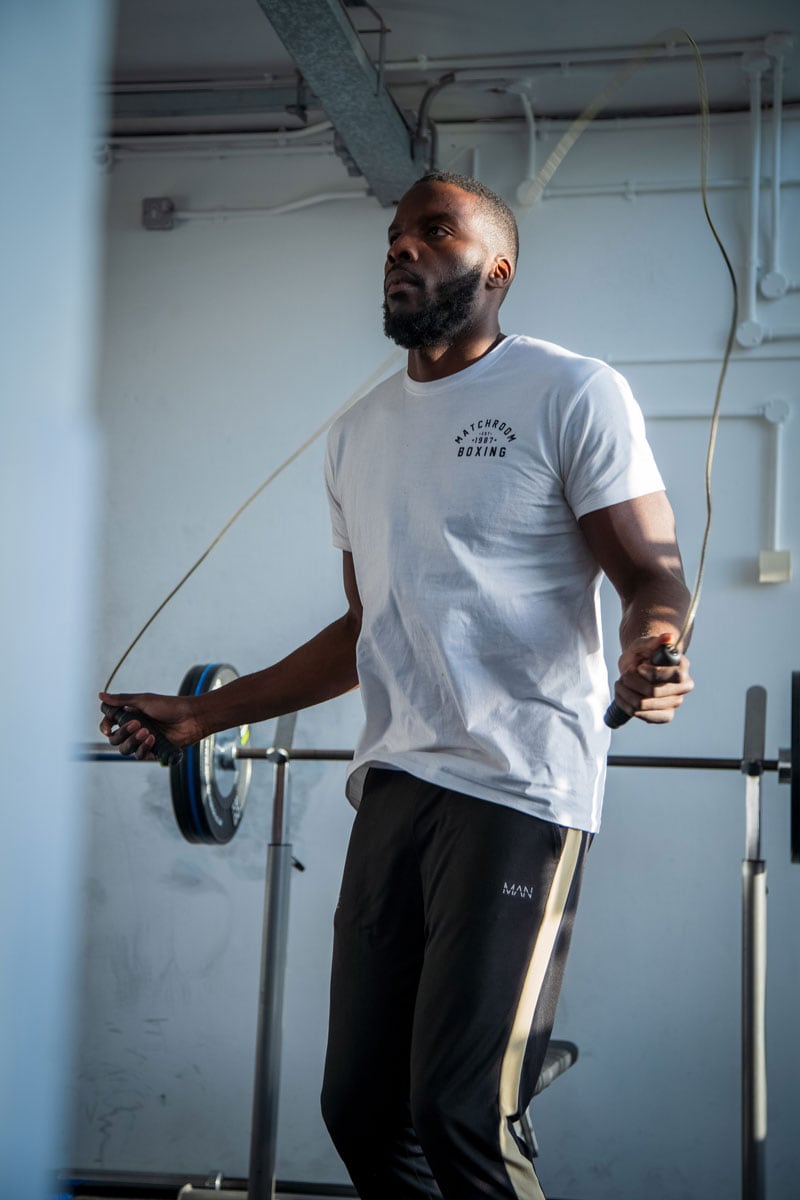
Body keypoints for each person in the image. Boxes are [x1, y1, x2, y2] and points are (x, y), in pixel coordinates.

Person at [100, 171, 694, 1200]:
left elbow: (652, 570)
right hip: (395, 783)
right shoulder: (358, 433)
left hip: (517, 785)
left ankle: (497, 1069)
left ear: (495, 270)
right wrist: (199, 715)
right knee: (363, 1113)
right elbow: (365, 630)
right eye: (391, 238)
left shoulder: (568, 391)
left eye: (433, 231)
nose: (401, 250)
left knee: (460, 1111)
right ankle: (495, 1058)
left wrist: (652, 644)